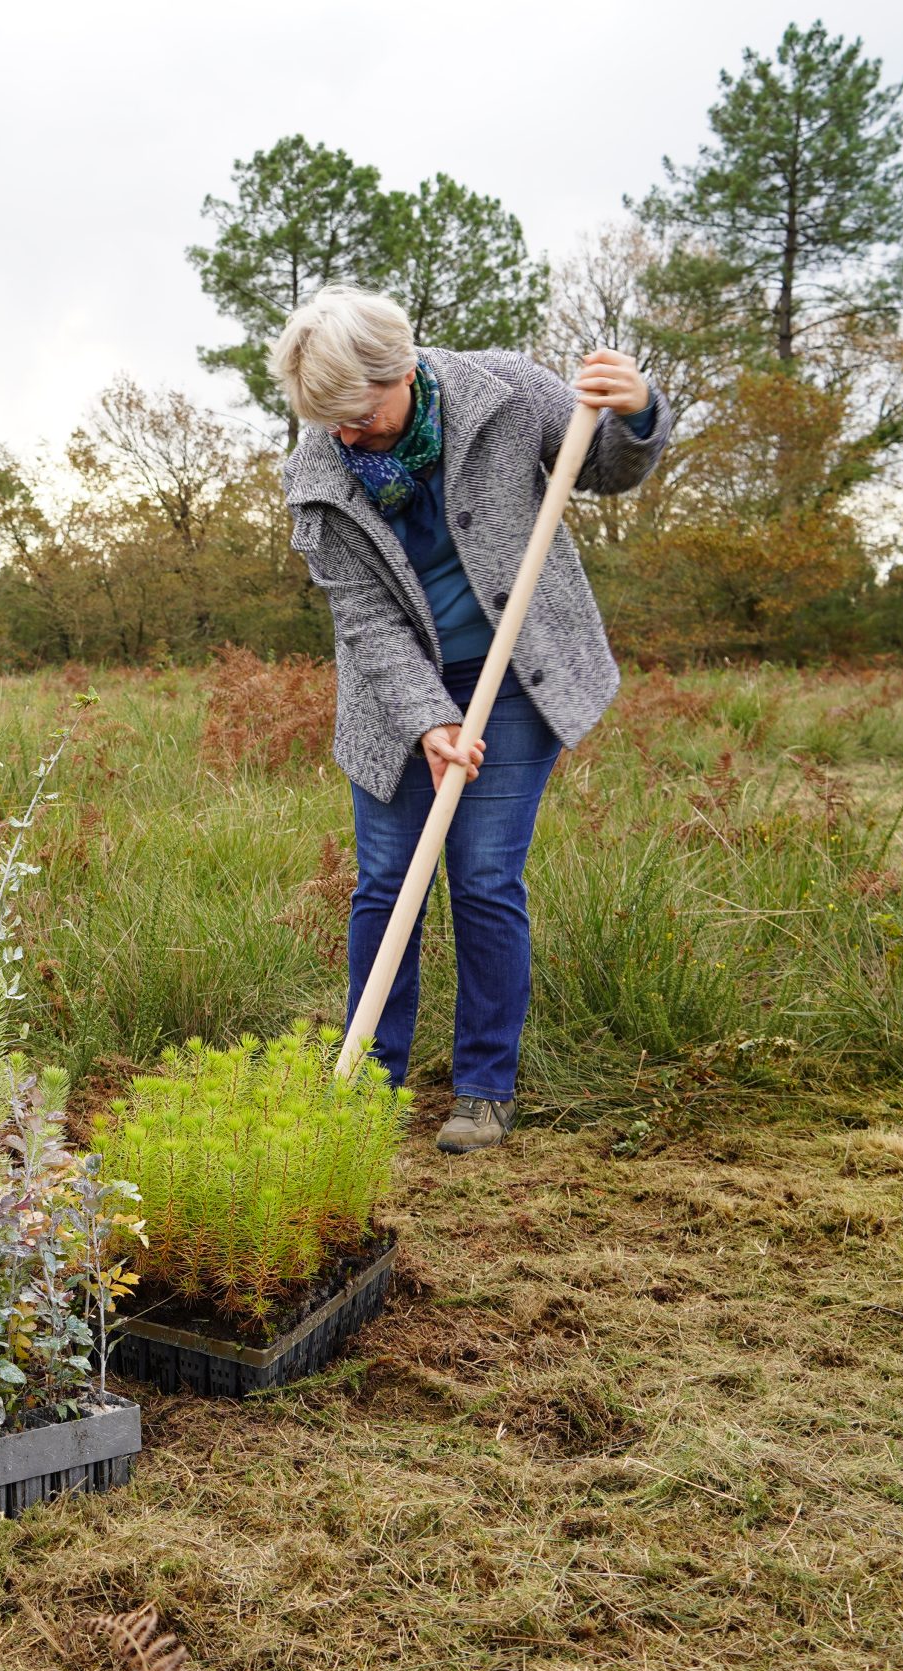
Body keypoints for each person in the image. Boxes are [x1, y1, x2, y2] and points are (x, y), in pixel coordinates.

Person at [276, 285, 669, 1155]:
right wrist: (427, 718)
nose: (345, 434)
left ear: (403, 371)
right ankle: (370, 1081)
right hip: (394, 697)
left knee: (485, 878)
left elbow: (602, 464)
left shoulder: (503, 391)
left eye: (359, 413)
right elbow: (365, 621)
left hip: (518, 674)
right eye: (327, 419)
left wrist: (636, 414)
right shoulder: (318, 469)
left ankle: (485, 1089)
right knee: (386, 885)